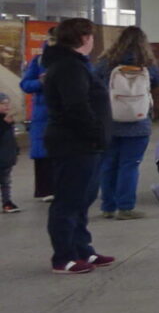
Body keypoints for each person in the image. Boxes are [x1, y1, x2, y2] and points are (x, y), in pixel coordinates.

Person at [41, 17, 114, 274]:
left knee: (83, 199)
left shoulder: (75, 64)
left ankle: (83, 249)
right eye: (91, 36)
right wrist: (95, 133)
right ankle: (64, 257)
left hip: (85, 144)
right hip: (74, 143)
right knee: (69, 200)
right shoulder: (69, 67)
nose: (93, 40)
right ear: (84, 38)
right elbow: (76, 106)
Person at [97, 25, 159, 219]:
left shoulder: (106, 63)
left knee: (108, 164)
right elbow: (157, 81)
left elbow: (94, 81)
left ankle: (108, 207)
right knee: (130, 165)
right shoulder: (147, 64)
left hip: (109, 121)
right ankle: (125, 207)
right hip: (138, 123)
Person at [19, 30, 55, 200]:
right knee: (43, 153)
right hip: (42, 114)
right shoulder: (38, 61)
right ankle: (45, 190)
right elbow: (25, 84)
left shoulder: (75, 60)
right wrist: (40, 82)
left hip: (62, 113)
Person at [0, 92, 19, 213]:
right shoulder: (5, 122)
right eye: (3, 103)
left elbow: (11, 138)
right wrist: (5, 124)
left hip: (6, 156)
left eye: (8, 103)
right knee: (5, 181)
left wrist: (15, 150)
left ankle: (7, 202)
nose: (6, 106)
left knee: (6, 181)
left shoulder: (8, 120)